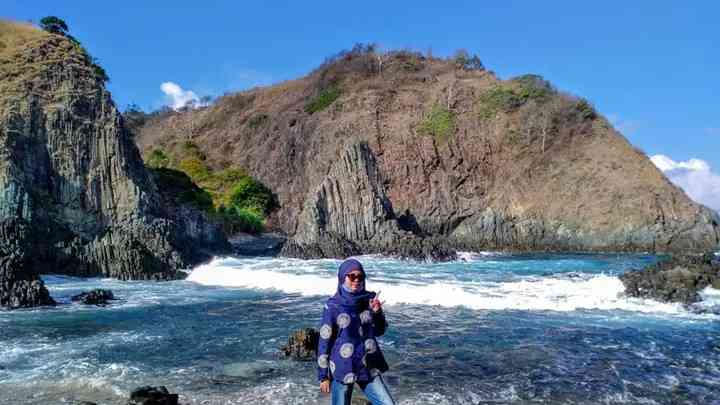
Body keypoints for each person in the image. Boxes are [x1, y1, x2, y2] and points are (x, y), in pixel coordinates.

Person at [317, 258, 396, 405]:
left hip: (367, 364)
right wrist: (323, 376)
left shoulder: (370, 301)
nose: (356, 280)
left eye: (360, 276)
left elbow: (379, 331)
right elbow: (324, 341)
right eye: (352, 276)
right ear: (342, 277)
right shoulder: (332, 306)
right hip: (342, 366)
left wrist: (377, 313)